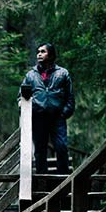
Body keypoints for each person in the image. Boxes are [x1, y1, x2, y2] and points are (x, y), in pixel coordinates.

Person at [21, 43, 75, 174]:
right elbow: (21, 97)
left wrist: (64, 113)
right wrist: (28, 112)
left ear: (50, 55)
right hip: (38, 118)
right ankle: (42, 179)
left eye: (43, 51)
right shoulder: (31, 75)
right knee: (40, 150)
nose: (39, 54)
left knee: (61, 147)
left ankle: (63, 179)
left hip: (57, 117)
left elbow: (70, 97)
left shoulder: (62, 73)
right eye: (38, 52)